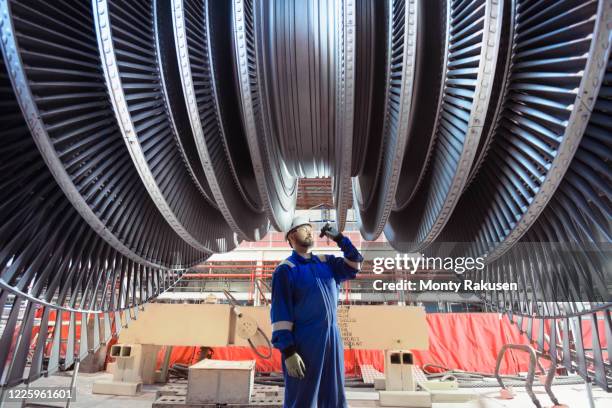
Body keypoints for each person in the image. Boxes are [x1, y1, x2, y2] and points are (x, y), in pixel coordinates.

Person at [270, 216, 364, 408]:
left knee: (334, 397)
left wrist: (339, 238)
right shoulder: (286, 270)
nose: (309, 231)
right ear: (291, 237)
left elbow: (355, 264)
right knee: (304, 397)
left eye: (310, 228)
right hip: (305, 342)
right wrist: (288, 352)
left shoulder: (326, 262)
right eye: (303, 228)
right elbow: (280, 315)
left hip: (332, 338)